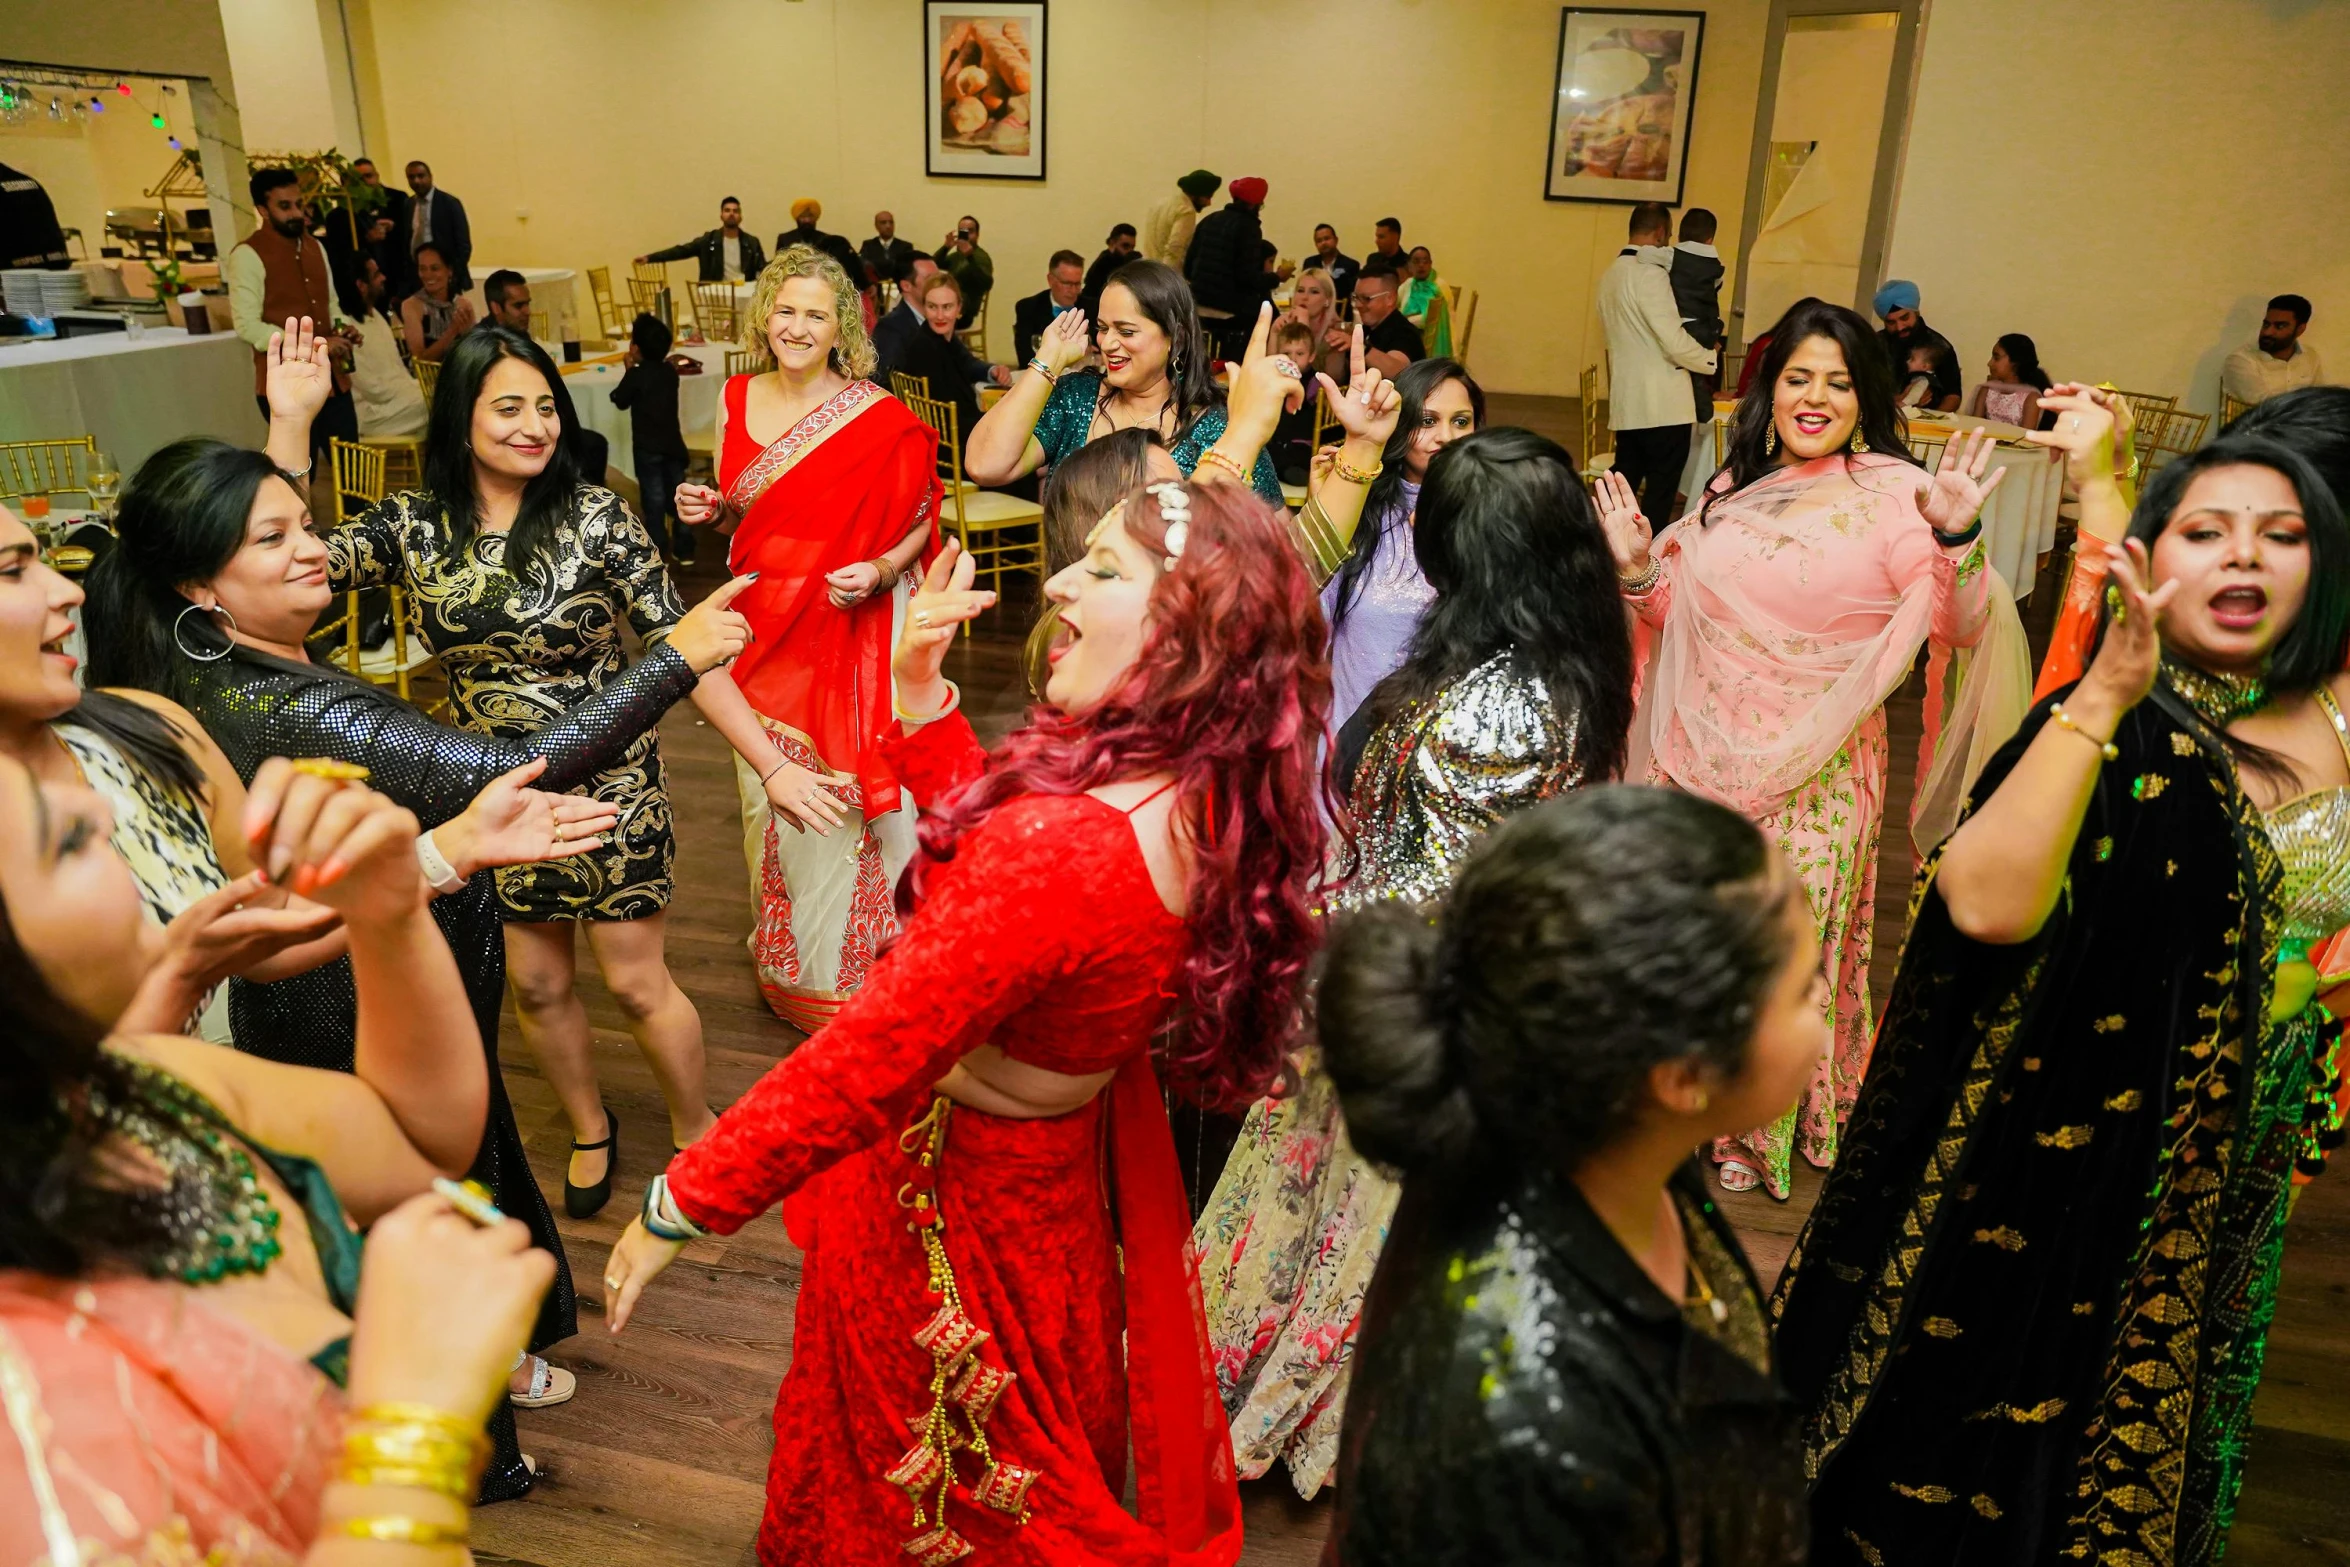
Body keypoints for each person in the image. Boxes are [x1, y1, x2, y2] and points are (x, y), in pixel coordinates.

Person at [603, 474, 1333, 1565]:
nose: (1055, 581)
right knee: (1026, 1441)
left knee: (947, 1481)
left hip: (952, 1199)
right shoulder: (1198, 787)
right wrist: (925, 700)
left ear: (1189, 627)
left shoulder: (1069, 845)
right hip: (1044, 1191)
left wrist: (684, 1198)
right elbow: (994, 914)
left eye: (1101, 568)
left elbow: (875, 1046)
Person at [82, 325, 756, 1475]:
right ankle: (475, 1445)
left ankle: (514, 1344)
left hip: (486, 873)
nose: (310, 552)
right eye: (505, 406)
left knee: (493, 1126)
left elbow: (269, 550)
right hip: (387, 953)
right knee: (431, 1192)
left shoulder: (215, 655)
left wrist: (288, 425)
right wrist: (676, 659)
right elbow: (507, 754)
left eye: (547, 403)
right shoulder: (293, 691)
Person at [1774, 428, 2350, 1567]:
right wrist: (2105, 694)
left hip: (2238, 1122)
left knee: (2170, 1369)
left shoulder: (2326, 706)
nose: (2246, 559)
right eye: (2207, 532)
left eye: (2285, 536)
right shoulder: (2124, 714)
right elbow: (1980, 905)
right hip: (2062, 1141)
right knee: (2005, 1385)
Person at [1198, 424, 1634, 1499]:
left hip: (1414, 1000)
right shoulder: (1541, 655)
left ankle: (1291, 1402)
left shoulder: (1499, 706)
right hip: (1418, 977)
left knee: (1359, 1205)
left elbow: (1427, 890)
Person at [0, 746, 564, 1558]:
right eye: (59, 839)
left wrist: (388, 914)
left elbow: (415, 1142)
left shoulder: (139, 1084)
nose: (100, 809)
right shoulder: (32, 1409)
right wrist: (412, 1435)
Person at [292, 323, 773, 1223]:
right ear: (461, 418)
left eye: (546, 406)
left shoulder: (597, 515)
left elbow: (684, 646)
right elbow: (294, 562)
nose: (535, 425)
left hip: (613, 785)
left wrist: (772, 766)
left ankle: (697, 1124)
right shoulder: (414, 524)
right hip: (492, 795)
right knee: (539, 983)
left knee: (635, 982)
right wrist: (291, 428)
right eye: (508, 407)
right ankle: (590, 1126)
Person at [1317, 787, 1818, 1567]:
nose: (1824, 1018)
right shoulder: (1528, 1434)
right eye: (1803, 991)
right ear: (1684, 1072)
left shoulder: (1617, 1138)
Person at [1605, 296, 2025, 1199]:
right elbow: (1672, 617)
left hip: (1818, 769)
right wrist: (1640, 566)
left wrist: (1956, 537)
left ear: (1864, 394)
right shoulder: (1733, 487)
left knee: (1778, 950)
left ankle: (1752, 1128)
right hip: (1697, 754)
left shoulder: (1897, 497)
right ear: (1771, 386)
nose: (1815, 396)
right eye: (1799, 377)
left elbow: (1959, 623)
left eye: (1837, 381)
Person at [672, 246, 944, 1032]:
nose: (795, 327)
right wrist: (710, 508)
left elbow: (922, 512)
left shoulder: (874, 414)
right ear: (764, 317)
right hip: (761, 630)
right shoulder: (731, 397)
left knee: (862, 795)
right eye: (784, 311)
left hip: (850, 623)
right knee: (770, 792)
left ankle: (871, 968)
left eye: (814, 315)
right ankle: (798, 966)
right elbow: (744, 510)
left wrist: (885, 567)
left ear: (841, 330)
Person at [963, 259, 1285, 504]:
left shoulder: (1214, 423)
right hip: (1070, 589)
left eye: (1126, 331)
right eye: (1103, 328)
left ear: (1175, 338)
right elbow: (985, 465)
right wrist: (1047, 362)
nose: (1107, 343)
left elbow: (1275, 534)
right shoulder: (1078, 397)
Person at [1315, 357, 1484, 731]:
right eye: (1427, 421)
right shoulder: (1361, 514)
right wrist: (1324, 512)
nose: (1447, 437)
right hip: (1353, 751)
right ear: (1398, 425)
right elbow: (1301, 629)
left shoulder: (1496, 520)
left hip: (1449, 755)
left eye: (1461, 421)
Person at [1599, 202, 1719, 530]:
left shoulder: (1610, 274)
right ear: (1661, 233)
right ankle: (1646, 564)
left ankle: (1606, 550)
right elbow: (1673, 340)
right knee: (1659, 496)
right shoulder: (1649, 274)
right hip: (1663, 406)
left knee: (1621, 491)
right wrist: (1711, 359)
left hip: (1628, 403)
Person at [229, 168, 360, 457]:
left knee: (352, 470)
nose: (296, 213)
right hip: (285, 387)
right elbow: (248, 326)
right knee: (300, 475)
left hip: (333, 381)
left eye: (299, 204)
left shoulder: (316, 248)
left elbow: (332, 305)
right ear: (263, 210)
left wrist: (343, 327)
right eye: (285, 206)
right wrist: (317, 345)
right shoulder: (248, 255)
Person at [900, 269, 1014, 460]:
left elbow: (966, 363)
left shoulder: (944, 339)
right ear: (924, 307)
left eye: (947, 307)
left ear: (959, 308)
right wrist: (995, 421)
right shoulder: (925, 349)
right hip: (952, 449)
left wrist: (992, 370)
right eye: (932, 306)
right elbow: (945, 418)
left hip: (959, 435)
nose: (939, 315)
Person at [612, 312, 693, 562]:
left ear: (635, 347)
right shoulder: (670, 372)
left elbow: (619, 399)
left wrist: (628, 370)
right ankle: (685, 547)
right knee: (679, 499)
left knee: (654, 501)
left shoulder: (636, 375)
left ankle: (657, 550)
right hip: (673, 446)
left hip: (648, 448)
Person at [1186, 176, 1276, 361]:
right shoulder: (1249, 227)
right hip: (1228, 308)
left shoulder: (1209, 220)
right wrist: (1276, 278)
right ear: (1254, 205)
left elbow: (1188, 267)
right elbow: (1247, 277)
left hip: (1197, 304)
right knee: (1266, 316)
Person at [347, 256, 427, 438]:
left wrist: (417, 388)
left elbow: (398, 373)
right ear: (361, 285)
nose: (383, 278)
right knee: (443, 400)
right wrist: (418, 390)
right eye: (376, 275)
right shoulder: (349, 328)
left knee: (446, 395)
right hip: (373, 414)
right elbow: (374, 390)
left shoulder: (376, 315)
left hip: (397, 401)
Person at [2223, 292, 2324, 407]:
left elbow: (2319, 402)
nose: (2267, 332)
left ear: (2300, 329)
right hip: (2258, 425)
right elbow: (2267, 407)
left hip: (2303, 424)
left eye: (2279, 326)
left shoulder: (2310, 357)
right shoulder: (2241, 360)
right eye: (2266, 324)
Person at [1672, 207, 1726, 420]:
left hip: (1677, 327)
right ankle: (1704, 409)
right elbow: (1713, 295)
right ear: (1710, 240)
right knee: (1700, 373)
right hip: (1705, 326)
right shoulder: (1714, 268)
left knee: (1689, 375)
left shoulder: (1671, 259)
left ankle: (1700, 409)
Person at [1874, 279, 1961, 411]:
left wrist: (1932, 421)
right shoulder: (1873, 344)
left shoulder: (1940, 347)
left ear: (1916, 312)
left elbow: (1953, 396)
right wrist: (1897, 400)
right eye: (1891, 322)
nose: (1900, 327)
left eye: (1904, 318)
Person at [638, 195, 767, 283]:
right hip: (715, 292)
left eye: (735, 211)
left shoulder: (752, 242)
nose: (731, 214)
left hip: (744, 292)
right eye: (727, 210)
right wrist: (650, 258)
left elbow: (762, 268)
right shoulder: (708, 240)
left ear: (741, 216)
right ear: (721, 215)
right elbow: (681, 251)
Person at [403, 159, 471, 293]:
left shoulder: (449, 203)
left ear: (430, 176)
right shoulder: (408, 205)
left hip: (447, 276)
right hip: (418, 276)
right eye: (411, 177)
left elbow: (463, 244)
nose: (417, 181)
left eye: (421, 176)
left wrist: (452, 273)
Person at [400, 242, 475, 363]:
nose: (428, 275)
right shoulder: (412, 305)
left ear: (449, 271)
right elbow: (419, 360)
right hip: (426, 378)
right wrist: (452, 331)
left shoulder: (463, 304)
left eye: (435, 268)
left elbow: (475, 352)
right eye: (422, 269)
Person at [871, 254, 942, 381]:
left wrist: (988, 370)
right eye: (930, 280)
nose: (939, 285)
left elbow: (963, 360)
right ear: (906, 286)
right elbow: (886, 381)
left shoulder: (938, 318)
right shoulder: (891, 328)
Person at [1351, 263, 1427, 381]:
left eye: (1366, 299)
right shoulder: (1366, 329)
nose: (1358, 305)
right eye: (1356, 298)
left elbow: (1398, 372)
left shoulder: (1406, 334)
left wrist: (1360, 347)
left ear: (1390, 299)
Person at [1965, 331, 2054, 430]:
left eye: (1996, 358)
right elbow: (1974, 426)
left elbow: (2025, 438)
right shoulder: (1987, 390)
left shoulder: (2031, 397)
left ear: (2015, 362)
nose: (1989, 363)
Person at [1013, 247, 1087, 366]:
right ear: (1050, 280)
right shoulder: (1028, 308)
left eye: (1077, 283)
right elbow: (1025, 358)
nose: (1073, 290)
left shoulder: (1092, 307)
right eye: (1067, 283)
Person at [1279, 265, 1351, 385]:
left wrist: (1303, 327)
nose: (1304, 297)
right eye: (1300, 290)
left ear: (1327, 300)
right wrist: (1274, 332)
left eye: (1314, 292)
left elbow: (1332, 382)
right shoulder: (1286, 325)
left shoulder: (1336, 332)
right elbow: (1269, 370)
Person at [776, 197, 865, 291]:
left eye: (810, 216)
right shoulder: (785, 238)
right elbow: (778, 265)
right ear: (797, 219)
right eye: (803, 217)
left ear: (815, 219)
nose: (807, 220)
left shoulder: (826, 239)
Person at [1142, 167, 1220, 266]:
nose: (1209, 203)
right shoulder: (1186, 210)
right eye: (1208, 197)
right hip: (1164, 275)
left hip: (1147, 270)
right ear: (1197, 193)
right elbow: (1175, 249)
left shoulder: (1161, 204)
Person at [932, 213, 995, 329]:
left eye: (970, 231)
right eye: (962, 231)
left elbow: (986, 283)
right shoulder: (956, 256)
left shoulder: (981, 257)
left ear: (977, 235)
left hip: (964, 313)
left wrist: (969, 257)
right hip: (947, 306)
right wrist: (946, 247)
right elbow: (933, 265)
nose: (966, 236)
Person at [1400, 246, 1453, 358]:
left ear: (1430, 264)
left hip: (1430, 339)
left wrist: (1407, 320)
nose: (1421, 265)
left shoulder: (1439, 286)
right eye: (1416, 261)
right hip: (1407, 335)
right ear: (1409, 266)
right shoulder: (1407, 285)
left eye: (1425, 261)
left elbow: (1434, 319)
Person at [1078, 221, 1138, 316]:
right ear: (1112, 243)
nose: (1129, 252)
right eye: (1125, 246)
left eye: (1132, 248)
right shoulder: (1105, 263)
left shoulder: (1118, 262)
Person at [859, 208, 917, 288]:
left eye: (891, 222)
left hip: (898, 288)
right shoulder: (868, 245)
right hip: (875, 288)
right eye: (883, 223)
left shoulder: (905, 246)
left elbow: (907, 270)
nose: (888, 226)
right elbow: (865, 268)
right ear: (876, 226)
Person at [1310, 223, 1361, 302]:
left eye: (1327, 238)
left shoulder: (1351, 265)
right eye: (1319, 241)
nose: (1323, 243)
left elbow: (1351, 294)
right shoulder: (1310, 263)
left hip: (1342, 311)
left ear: (1336, 240)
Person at [1899, 337, 1952, 408]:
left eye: (1912, 359)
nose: (1907, 361)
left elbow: (1915, 395)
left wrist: (1902, 404)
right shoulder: (1925, 377)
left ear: (1924, 366)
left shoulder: (1923, 379)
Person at [481, 267, 533, 336]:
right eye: (518, 305)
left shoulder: (520, 334)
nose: (528, 312)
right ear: (496, 308)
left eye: (527, 304)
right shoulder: (481, 341)